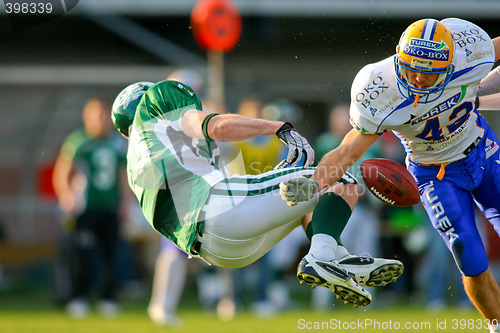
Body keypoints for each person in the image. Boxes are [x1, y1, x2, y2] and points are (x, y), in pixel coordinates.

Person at [280, 18, 500, 331]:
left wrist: (481, 91)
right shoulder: (380, 89)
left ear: (452, 63)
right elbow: (348, 151)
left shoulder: (472, 51)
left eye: (431, 72)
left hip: (483, 150)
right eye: (413, 69)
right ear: (398, 56)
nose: (420, 79)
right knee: (470, 256)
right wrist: (314, 183)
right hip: (435, 174)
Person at [110, 80, 404, 308]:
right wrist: (278, 127)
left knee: (304, 198)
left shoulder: (136, 161)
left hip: (216, 251)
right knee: (341, 178)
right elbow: (217, 126)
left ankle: (335, 255)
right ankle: (323, 255)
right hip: (220, 208)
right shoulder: (159, 103)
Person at [53, 97, 128, 318]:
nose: (101, 120)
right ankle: (78, 297)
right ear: (88, 118)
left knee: (111, 254)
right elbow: (62, 171)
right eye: (97, 115)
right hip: (85, 208)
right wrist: (66, 196)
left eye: (105, 115)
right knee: (82, 254)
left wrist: (125, 203)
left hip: (110, 207)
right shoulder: (79, 141)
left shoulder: (117, 142)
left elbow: (123, 176)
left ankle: (108, 299)